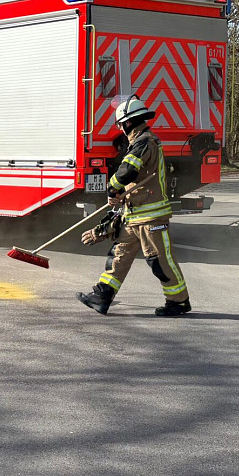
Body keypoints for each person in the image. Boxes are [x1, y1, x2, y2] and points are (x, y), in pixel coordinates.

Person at [77, 95, 191, 317]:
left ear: (128, 122)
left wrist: (112, 188)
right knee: (118, 254)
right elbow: (135, 177)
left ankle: (179, 302)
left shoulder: (144, 142)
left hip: (150, 218)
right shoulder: (140, 142)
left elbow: (128, 169)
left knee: (160, 262)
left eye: (120, 124)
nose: (120, 129)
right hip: (134, 215)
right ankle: (102, 296)